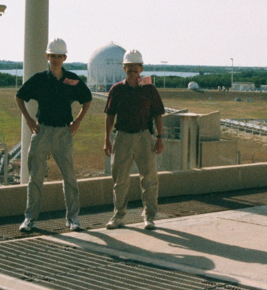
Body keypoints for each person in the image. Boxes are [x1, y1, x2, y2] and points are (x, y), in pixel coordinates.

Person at [16, 38, 92, 233]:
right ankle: (30, 218)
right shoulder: (39, 79)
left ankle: (73, 218)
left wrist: (77, 121)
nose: (56, 60)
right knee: (35, 177)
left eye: (59, 56)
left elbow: (87, 99)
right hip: (42, 131)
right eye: (53, 56)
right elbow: (19, 96)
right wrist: (29, 120)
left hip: (63, 132)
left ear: (65, 57)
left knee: (69, 176)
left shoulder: (73, 80)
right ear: (47, 57)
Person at [104, 49, 165, 230]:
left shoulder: (149, 89)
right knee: (120, 180)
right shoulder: (117, 89)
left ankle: (149, 216)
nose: (132, 69)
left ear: (141, 68)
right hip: (122, 137)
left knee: (149, 178)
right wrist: (106, 139)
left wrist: (159, 138)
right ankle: (118, 216)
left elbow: (158, 115)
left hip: (144, 137)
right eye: (129, 66)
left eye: (135, 66)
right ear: (124, 68)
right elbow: (109, 116)